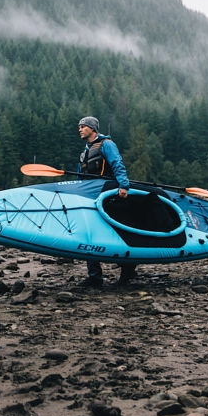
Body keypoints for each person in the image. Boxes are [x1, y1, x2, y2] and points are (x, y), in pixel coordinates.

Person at [76, 116, 139, 288]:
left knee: (116, 231)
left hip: (109, 195)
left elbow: (117, 163)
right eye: (79, 127)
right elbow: (79, 177)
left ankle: (128, 270)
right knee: (90, 234)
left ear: (92, 128)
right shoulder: (85, 152)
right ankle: (95, 276)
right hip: (91, 196)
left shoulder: (107, 144)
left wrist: (124, 185)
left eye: (83, 127)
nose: (80, 129)